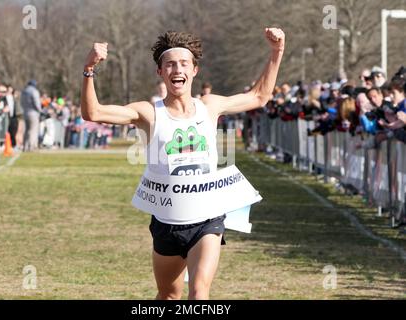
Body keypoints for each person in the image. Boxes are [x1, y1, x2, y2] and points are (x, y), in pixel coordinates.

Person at [81, 28, 285, 300]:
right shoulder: (149, 113)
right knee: (168, 296)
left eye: (184, 63)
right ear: (161, 72)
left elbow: (259, 97)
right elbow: (92, 112)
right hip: (167, 221)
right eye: (170, 64)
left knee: (199, 293)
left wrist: (276, 52)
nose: (177, 69)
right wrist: (89, 68)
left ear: (194, 71)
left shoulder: (209, 106)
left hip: (207, 218)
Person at [21, 80, 42, 152]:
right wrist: (40, 110)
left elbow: (21, 102)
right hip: (33, 113)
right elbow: (36, 103)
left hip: (25, 112)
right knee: (33, 130)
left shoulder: (24, 92)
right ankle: (31, 146)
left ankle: (25, 146)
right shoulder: (34, 91)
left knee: (26, 130)